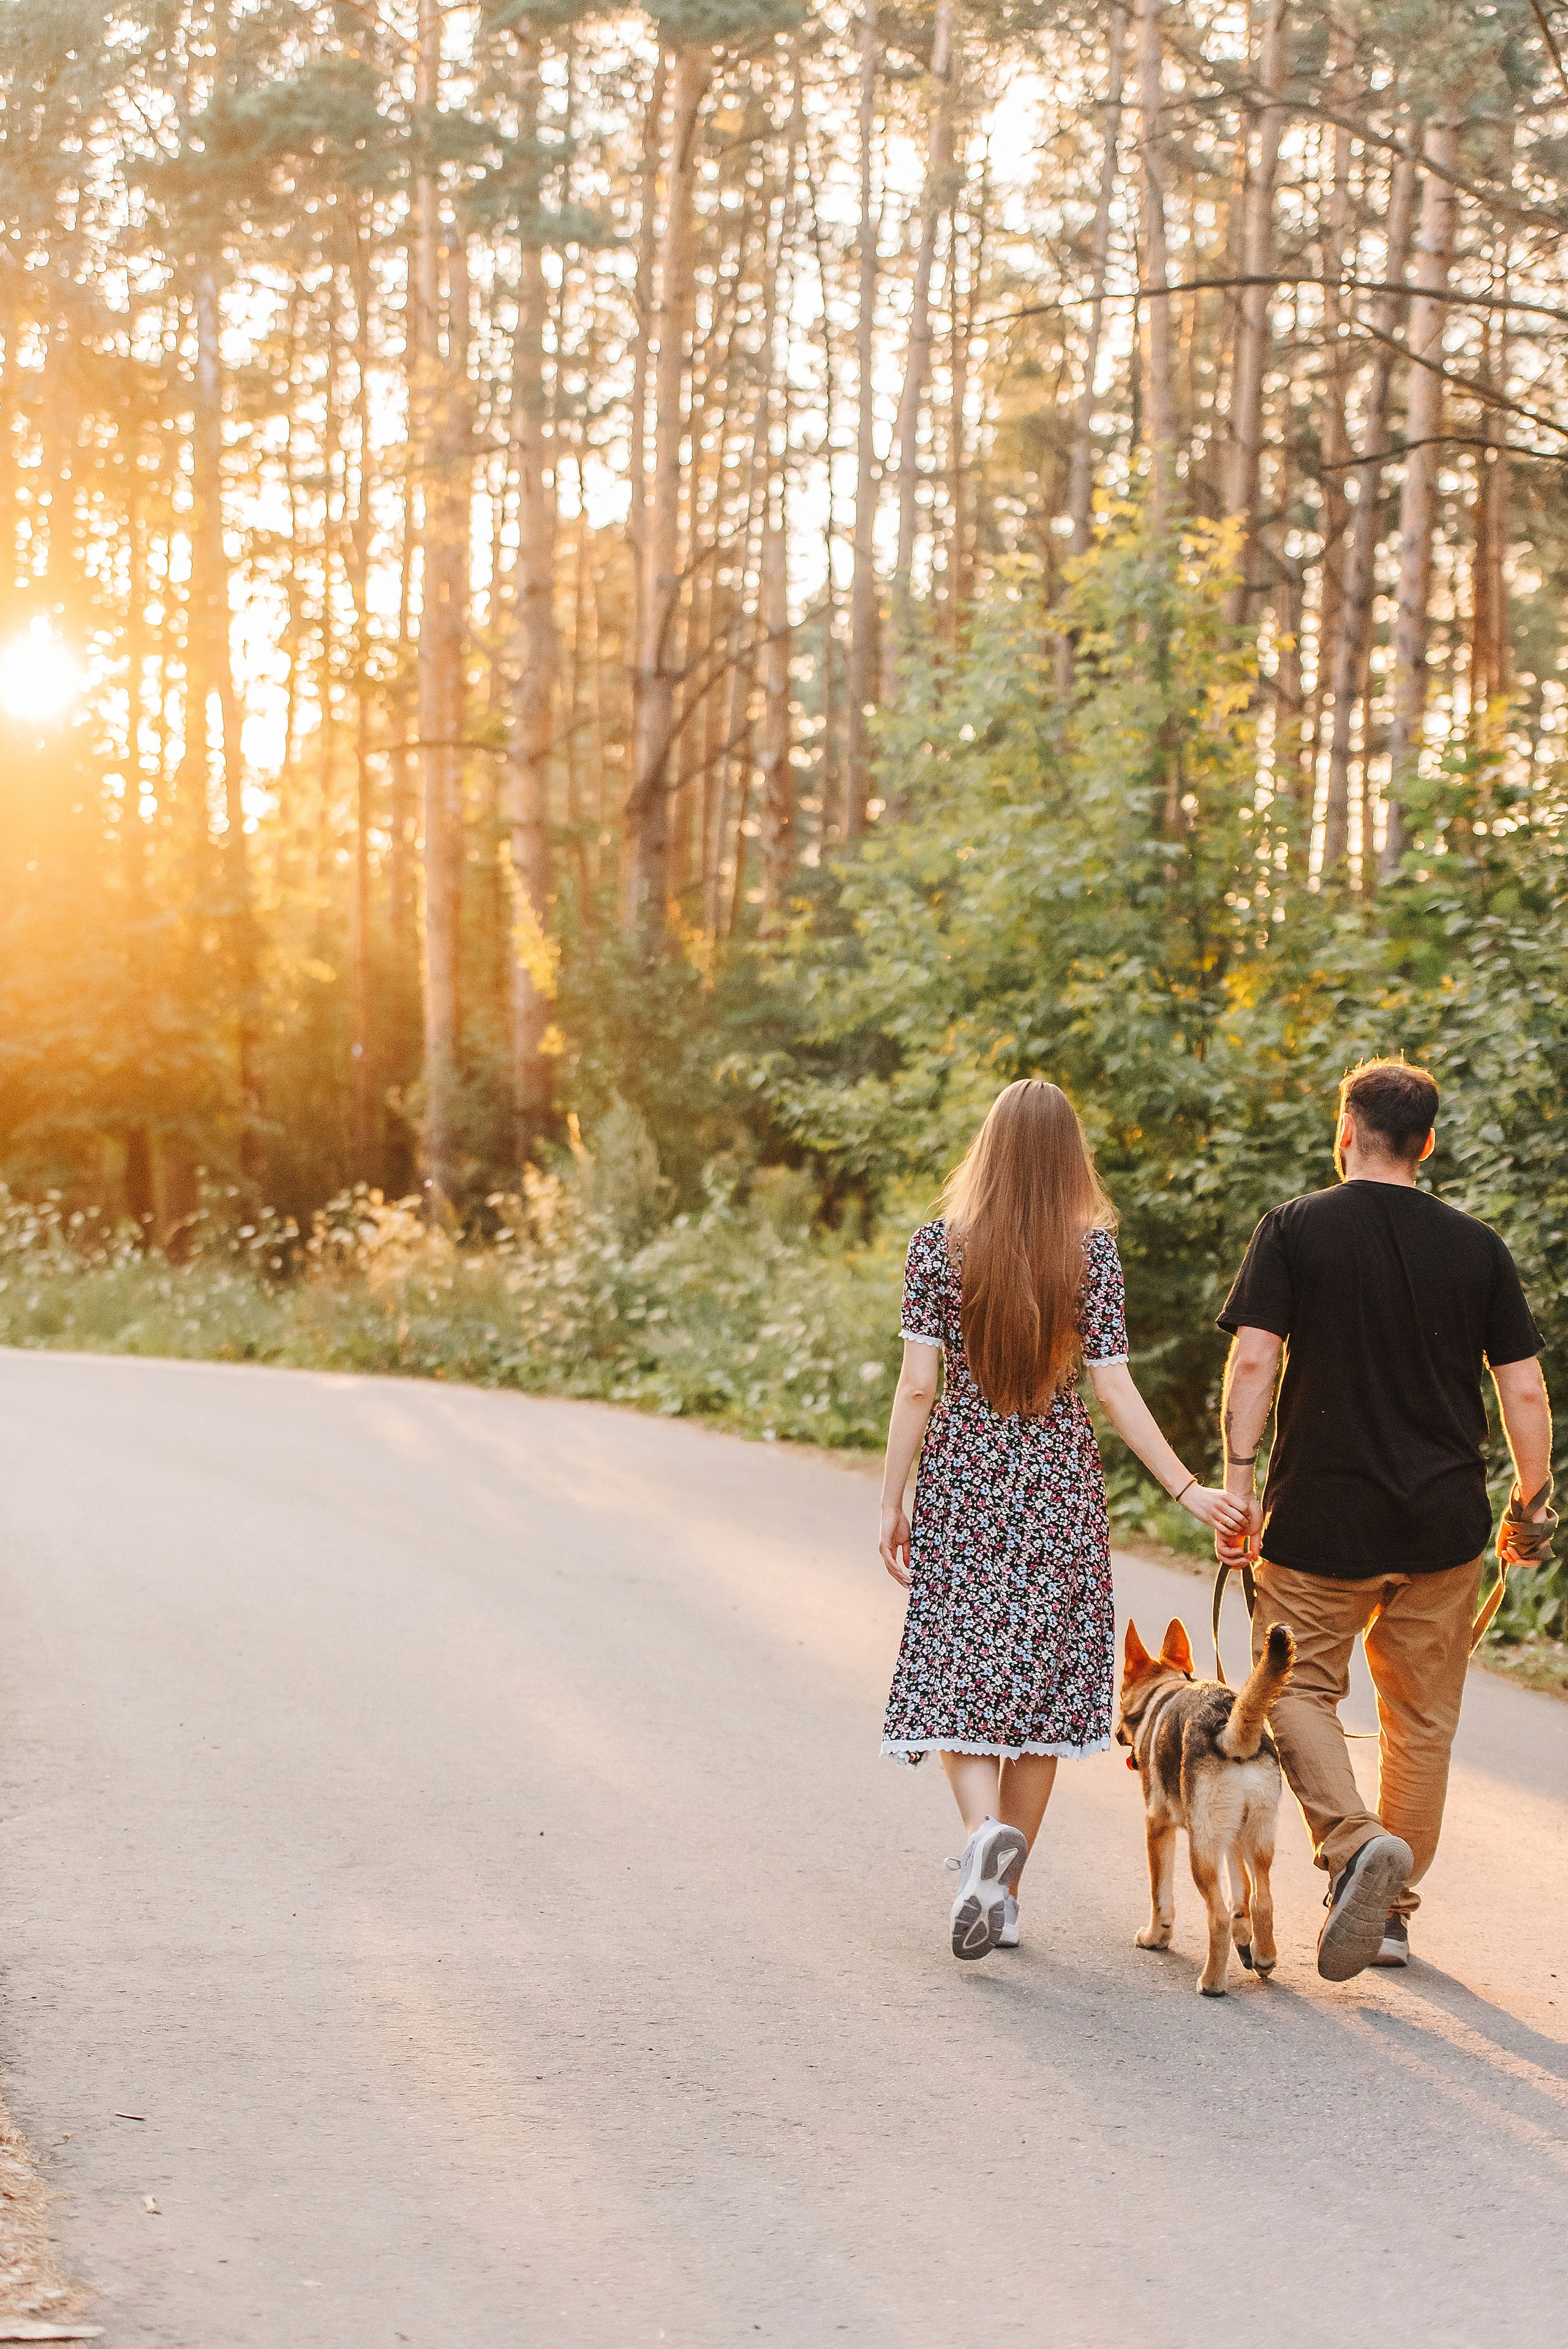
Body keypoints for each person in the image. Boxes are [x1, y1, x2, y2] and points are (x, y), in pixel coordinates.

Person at [878, 1078, 1248, 1961]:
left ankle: (979, 1844)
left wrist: (893, 1499)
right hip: (1056, 1492)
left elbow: (919, 1385)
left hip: (964, 1487)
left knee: (956, 1682)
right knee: (1038, 1708)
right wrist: (1187, 1488)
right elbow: (1114, 1387)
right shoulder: (1094, 1257)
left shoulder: (936, 1248)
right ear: (1070, 1158)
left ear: (990, 1151)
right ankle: (1001, 1898)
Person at [1215, 1057, 1555, 1982]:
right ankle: (1393, 1915)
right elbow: (1522, 1388)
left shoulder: (1294, 1230)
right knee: (1422, 1720)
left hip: (1321, 1520)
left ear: (1346, 1131)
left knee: (1291, 1692)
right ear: (1428, 1142)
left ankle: (1358, 1848)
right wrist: (1535, 1504)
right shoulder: (1477, 1246)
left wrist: (1237, 1481)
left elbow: (1253, 1367)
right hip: (1443, 1526)